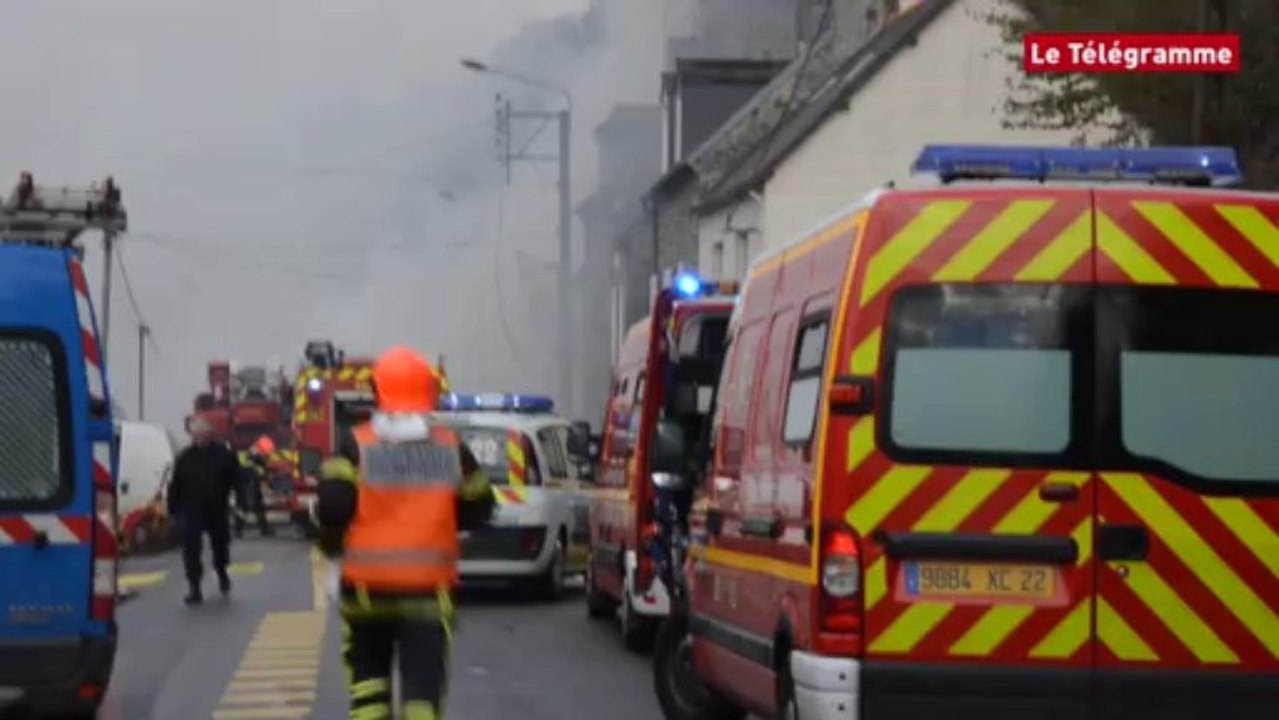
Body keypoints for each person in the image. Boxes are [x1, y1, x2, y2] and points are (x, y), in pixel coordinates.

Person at [313, 346, 494, 720]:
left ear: (377, 392)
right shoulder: (451, 448)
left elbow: (332, 508)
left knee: (369, 685)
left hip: (366, 591)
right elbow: (481, 506)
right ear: (428, 392)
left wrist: (330, 547)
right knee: (422, 693)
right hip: (428, 593)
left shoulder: (355, 445)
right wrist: (442, 518)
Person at [169, 416, 242, 605]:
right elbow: (175, 486)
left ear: (210, 435)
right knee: (191, 549)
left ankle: (222, 572)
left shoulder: (223, 455)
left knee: (220, 544)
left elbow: (237, 477)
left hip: (217, 508)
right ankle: (194, 587)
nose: (199, 439)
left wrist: (240, 500)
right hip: (191, 509)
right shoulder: (185, 458)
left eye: (202, 435)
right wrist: (173, 510)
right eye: (196, 435)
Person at [234, 436, 275, 538]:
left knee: (258, 506)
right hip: (246, 484)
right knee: (244, 506)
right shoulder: (252, 455)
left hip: (250, 483)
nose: (267, 456)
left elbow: (259, 468)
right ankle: (238, 530)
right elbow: (254, 470)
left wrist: (265, 474)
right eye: (266, 454)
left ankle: (264, 529)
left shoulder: (253, 453)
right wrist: (265, 475)